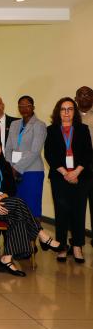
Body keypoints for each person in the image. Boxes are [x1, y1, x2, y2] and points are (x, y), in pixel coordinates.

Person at [0, 135, 62, 276]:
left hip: (6, 206)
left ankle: (6, 259)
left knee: (17, 215)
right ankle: (43, 236)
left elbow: (11, 190)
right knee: (19, 203)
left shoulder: (5, 166)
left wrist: (0, 197)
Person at [44, 98, 92, 263]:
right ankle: (62, 246)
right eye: (63, 109)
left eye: (70, 109)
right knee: (61, 211)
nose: (66, 112)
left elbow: (88, 154)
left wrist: (76, 172)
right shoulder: (51, 130)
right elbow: (49, 154)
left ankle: (77, 246)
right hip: (59, 177)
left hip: (81, 177)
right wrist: (65, 173)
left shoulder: (83, 129)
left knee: (78, 211)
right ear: (58, 112)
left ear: (74, 111)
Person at [4, 96, 47, 219]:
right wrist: (9, 166)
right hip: (13, 171)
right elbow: (8, 148)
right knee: (16, 207)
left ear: (33, 107)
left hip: (32, 171)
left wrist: (16, 168)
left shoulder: (40, 125)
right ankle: (19, 236)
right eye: (21, 106)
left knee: (31, 207)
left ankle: (33, 238)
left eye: (27, 105)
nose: (24, 108)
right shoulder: (14, 124)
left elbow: (34, 151)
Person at [75, 86, 93, 245]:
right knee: (77, 207)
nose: (85, 97)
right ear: (76, 98)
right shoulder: (71, 117)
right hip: (77, 170)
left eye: (88, 94)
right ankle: (77, 241)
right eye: (81, 94)